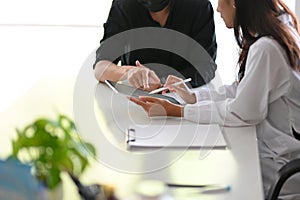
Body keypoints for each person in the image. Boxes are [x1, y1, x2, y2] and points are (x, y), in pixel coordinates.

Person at [130, 0, 300, 198]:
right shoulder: (277, 30)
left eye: (220, 1)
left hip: (280, 168)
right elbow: (241, 89)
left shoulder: (267, 48)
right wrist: (192, 96)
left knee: (202, 178)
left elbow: (242, 112)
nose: (218, 9)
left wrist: (178, 111)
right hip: (273, 152)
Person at [94, 0, 217, 90]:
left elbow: (206, 66)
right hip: (135, 100)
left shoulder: (198, 6)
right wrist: (128, 73)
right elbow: (100, 68)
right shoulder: (124, 5)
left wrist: (164, 84)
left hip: (185, 100)